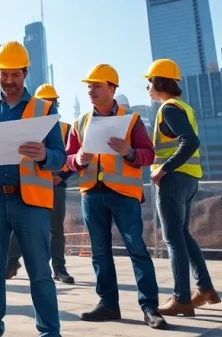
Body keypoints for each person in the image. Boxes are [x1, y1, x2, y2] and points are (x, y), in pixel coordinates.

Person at [0, 42, 66, 337]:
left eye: (15, 74)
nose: (9, 81)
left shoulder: (44, 110)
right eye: (4, 74)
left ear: (26, 73)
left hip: (32, 203)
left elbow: (60, 157)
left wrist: (43, 156)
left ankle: (50, 332)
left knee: (40, 272)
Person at [66, 64, 167, 330]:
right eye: (89, 86)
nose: (91, 91)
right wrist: (77, 159)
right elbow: (67, 160)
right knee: (99, 253)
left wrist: (129, 151)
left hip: (124, 195)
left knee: (137, 250)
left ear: (112, 88)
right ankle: (108, 304)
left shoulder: (131, 121)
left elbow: (148, 155)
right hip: (91, 195)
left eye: (97, 86)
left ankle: (149, 308)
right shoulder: (79, 122)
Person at [145, 59, 221, 317]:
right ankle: (205, 289)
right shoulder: (183, 107)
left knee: (173, 240)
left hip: (174, 180)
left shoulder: (169, 108)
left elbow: (190, 141)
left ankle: (181, 299)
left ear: (160, 82)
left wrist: (164, 168)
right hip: (189, 180)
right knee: (184, 236)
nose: (147, 87)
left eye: (149, 81)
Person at [6, 83, 75, 285]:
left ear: (55, 103)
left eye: (50, 101)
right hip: (31, 184)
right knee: (21, 226)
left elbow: (69, 157)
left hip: (55, 185)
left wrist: (61, 177)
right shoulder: (26, 124)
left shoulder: (65, 128)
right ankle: (10, 263)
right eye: (43, 101)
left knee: (55, 229)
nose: (47, 104)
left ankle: (59, 269)